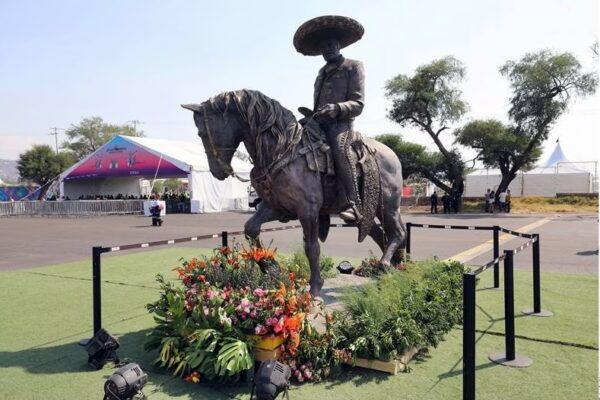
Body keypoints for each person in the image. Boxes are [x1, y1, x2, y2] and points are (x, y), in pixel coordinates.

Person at [294, 15, 365, 223]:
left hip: (340, 126)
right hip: (318, 124)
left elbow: (358, 104)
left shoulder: (353, 66)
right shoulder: (320, 73)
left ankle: (352, 203)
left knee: (340, 152)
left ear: (339, 46)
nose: (328, 49)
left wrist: (336, 108)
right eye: (324, 46)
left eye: (331, 44)